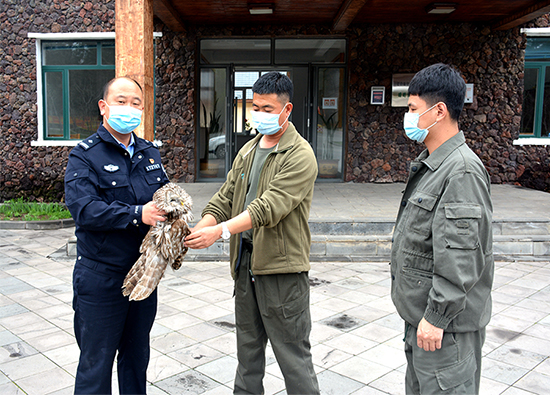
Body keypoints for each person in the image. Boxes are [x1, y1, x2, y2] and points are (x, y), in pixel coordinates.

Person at [185, 71, 320, 395]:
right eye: (255, 107)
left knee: (293, 358)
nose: (259, 114)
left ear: (287, 111)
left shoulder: (300, 155)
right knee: (247, 357)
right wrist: (199, 227)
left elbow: (268, 208)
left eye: (268, 109)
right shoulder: (249, 149)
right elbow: (226, 197)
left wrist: (219, 232)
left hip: (282, 273)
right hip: (246, 265)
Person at [390, 63, 494, 394]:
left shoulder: (461, 171)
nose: (408, 117)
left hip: (444, 331)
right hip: (423, 323)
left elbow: (462, 257)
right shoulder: (433, 165)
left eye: (412, 109)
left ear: (438, 111)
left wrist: (437, 316)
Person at [64, 76, 169, 394]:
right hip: (101, 277)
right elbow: (84, 209)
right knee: (96, 365)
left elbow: (164, 198)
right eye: (121, 101)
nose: (130, 108)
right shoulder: (85, 155)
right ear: (104, 107)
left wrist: (176, 219)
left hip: (142, 277)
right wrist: (138, 214)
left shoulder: (150, 153)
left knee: (136, 361)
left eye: (136, 103)